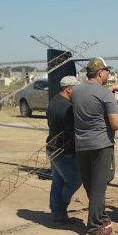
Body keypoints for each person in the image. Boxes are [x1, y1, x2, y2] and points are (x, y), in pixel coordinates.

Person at [71, 57, 118, 235]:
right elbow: (116, 124)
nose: (108, 74)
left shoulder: (77, 91)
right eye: (107, 71)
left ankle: (100, 216)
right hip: (101, 145)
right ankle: (94, 227)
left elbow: (92, 95)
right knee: (99, 187)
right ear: (100, 72)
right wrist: (117, 108)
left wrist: (108, 91)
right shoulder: (105, 95)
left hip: (82, 145)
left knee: (91, 185)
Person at [46, 76, 82, 223]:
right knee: (74, 180)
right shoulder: (66, 108)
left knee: (58, 180)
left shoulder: (54, 101)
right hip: (63, 151)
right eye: (77, 90)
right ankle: (61, 208)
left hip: (53, 148)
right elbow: (72, 132)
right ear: (69, 89)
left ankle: (56, 211)